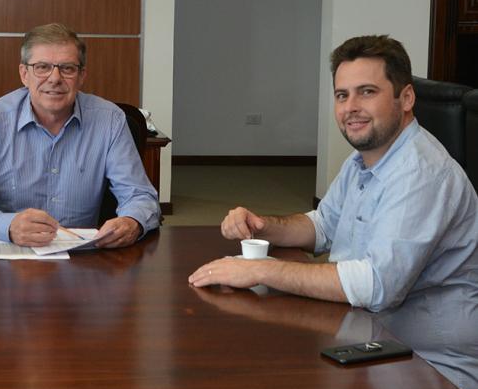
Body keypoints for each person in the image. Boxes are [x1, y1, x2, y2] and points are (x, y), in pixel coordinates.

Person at [189, 35, 478, 312]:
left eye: (367, 92)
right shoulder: (364, 158)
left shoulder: (422, 174)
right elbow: (325, 226)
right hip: (365, 324)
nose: (350, 108)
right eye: (342, 95)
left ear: (406, 98)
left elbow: (377, 285)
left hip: (421, 353)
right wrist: (263, 225)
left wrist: (260, 270)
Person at [0, 23, 161, 248]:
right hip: (11, 253)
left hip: (83, 259)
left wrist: (132, 221)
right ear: (24, 74)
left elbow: (140, 196)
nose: (55, 78)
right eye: (42, 67)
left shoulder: (110, 121)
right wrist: (6, 226)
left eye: (67, 68)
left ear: (81, 76)